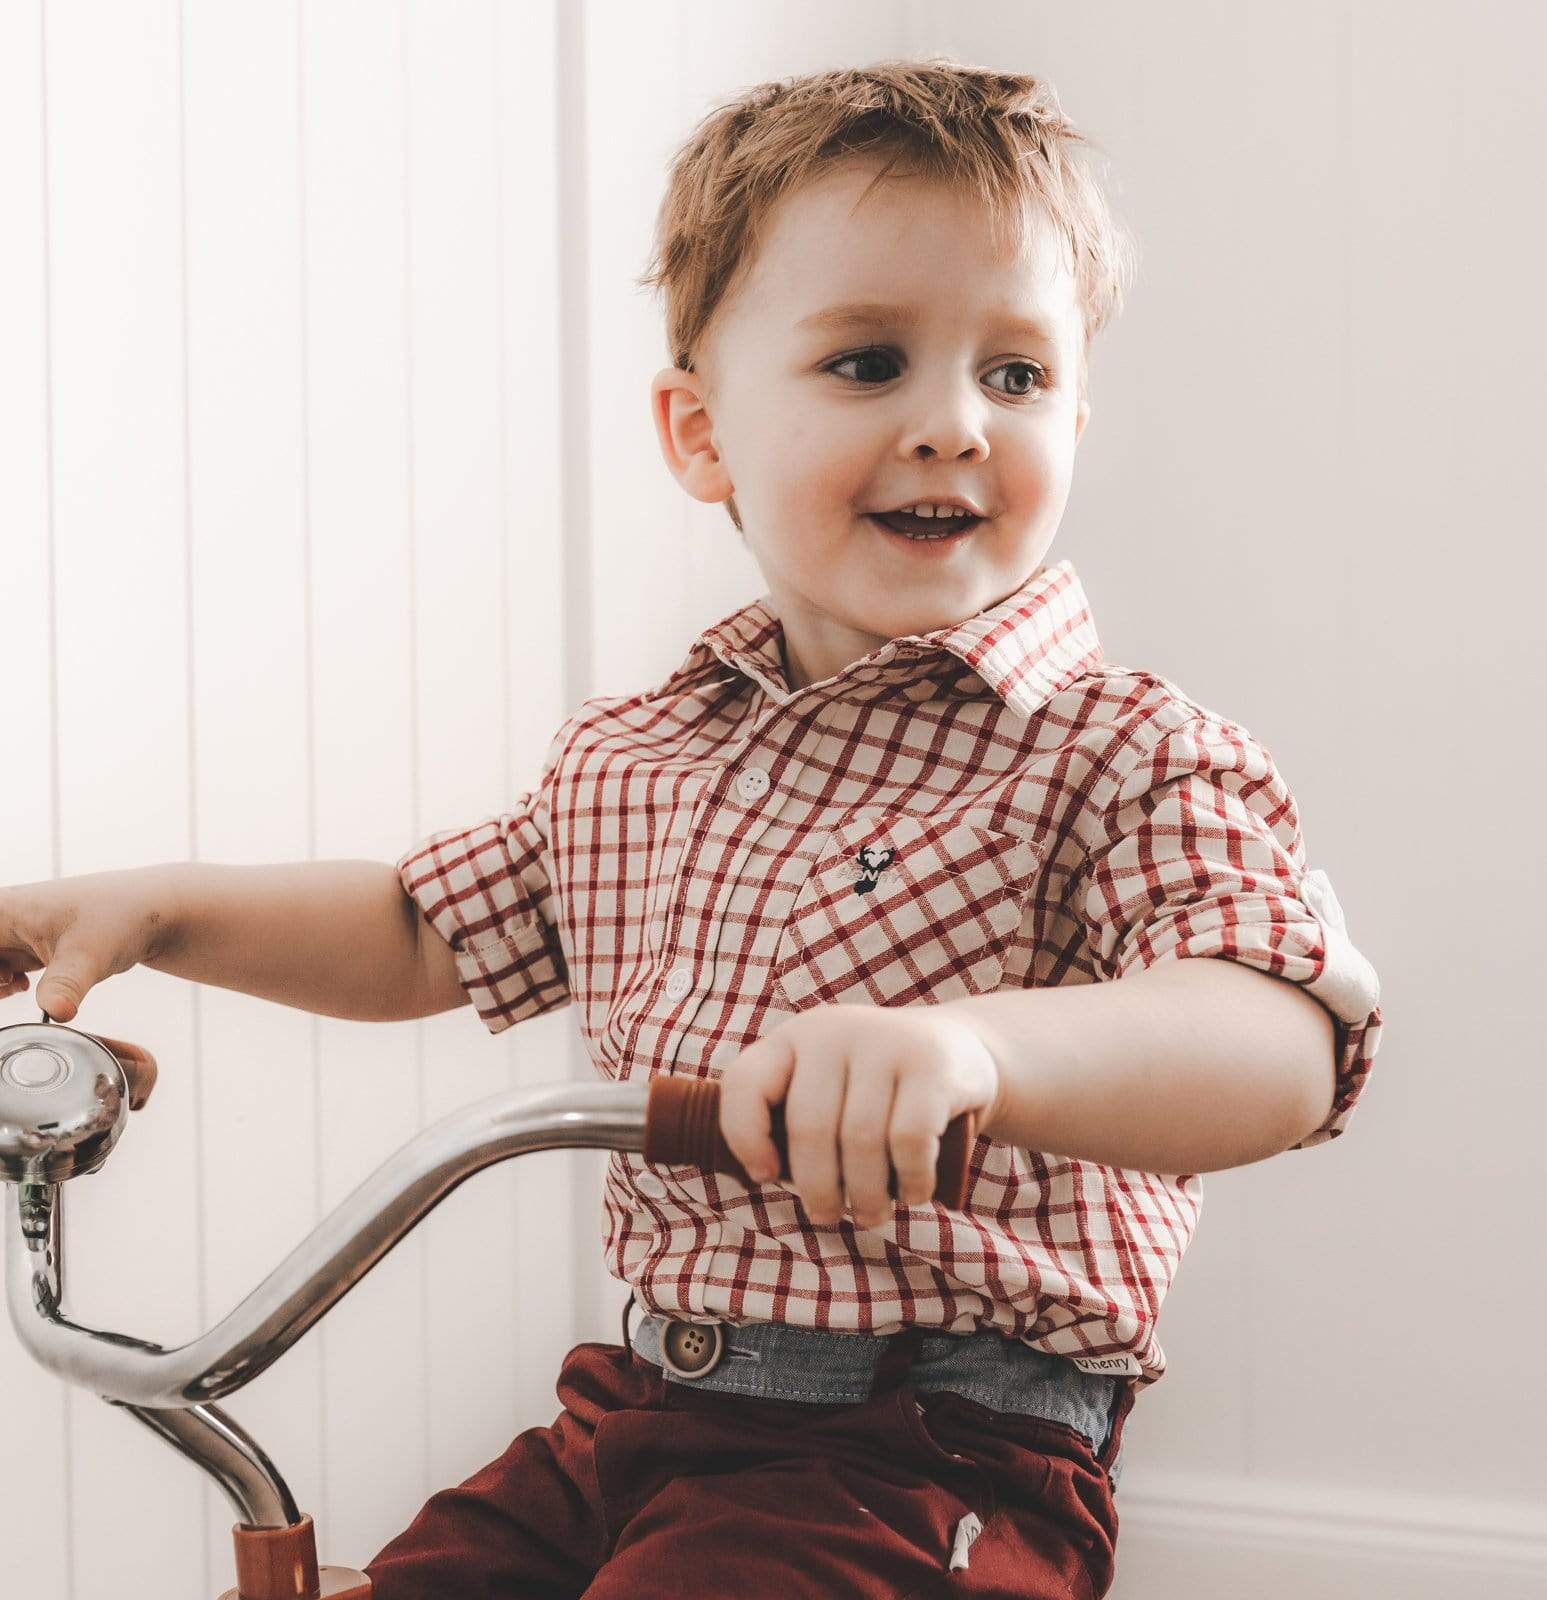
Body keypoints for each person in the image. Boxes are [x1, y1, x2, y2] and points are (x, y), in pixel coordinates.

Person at [0, 58, 1384, 1599]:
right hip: (636, 1417)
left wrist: (981, 1050)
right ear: (700, 433)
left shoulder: (1121, 750)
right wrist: (160, 913)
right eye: (869, 362)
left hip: (926, 1449)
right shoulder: (642, 757)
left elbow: (1280, 1043)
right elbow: (418, 930)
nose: (953, 425)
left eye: (1015, 374)